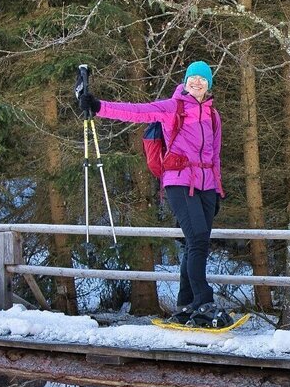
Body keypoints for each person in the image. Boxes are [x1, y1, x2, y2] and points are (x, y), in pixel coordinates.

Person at [79, 61, 232, 328]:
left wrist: (217, 189)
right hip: (179, 181)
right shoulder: (173, 107)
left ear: (209, 85)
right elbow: (138, 112)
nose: (197, 82)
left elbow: (215, 155)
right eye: (192, 78)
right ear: (185, 82)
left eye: (202, 79)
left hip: (207, 186)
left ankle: (185, 305)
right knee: (198, 239)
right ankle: (203, 301)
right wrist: (99, 106)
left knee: (195, 243)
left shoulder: (213, 115)